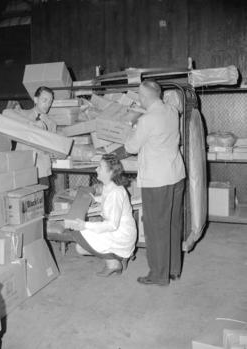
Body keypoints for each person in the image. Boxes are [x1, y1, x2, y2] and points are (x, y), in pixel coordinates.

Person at [124, 80, 185, 286]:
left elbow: (131, 147)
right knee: (172, 224)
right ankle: (173, 269)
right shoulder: (172, 111)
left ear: (146, 98)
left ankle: (159, 275)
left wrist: (130, 124)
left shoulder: (147, 120)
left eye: (140, 96)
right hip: (176, 175)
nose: (139, 99)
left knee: (155, 227)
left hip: (157, 181)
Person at [63, 153, 137, 277]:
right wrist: (96, 200)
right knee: (80, 248)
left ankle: (115, 262)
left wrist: (85, 225)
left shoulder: (116, 193)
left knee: (77, 231)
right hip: (117, 231)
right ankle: (118, 258)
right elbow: (107, 201)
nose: (96, 169)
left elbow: (112, 225)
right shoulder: (109, 186)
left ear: (110, 172)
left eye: (100, 167)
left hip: (121, 234)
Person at [3, 86, 57, 212]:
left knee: (42, 204)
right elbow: (5, 113)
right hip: (24, 168)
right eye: (44, 100)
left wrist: (51, 152)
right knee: (24, 205)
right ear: (35, 99)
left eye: (50, 101)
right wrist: (31, 123)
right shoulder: (23, 114)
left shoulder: (51, 123)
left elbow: (53, 147)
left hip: (42, 170)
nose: (48, 104)